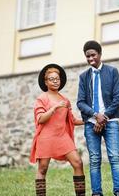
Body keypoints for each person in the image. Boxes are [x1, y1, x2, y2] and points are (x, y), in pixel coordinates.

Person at [77, 40, 119, 196]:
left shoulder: (112, 72)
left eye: (93, 55)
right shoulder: (83, 77)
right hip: (91, 123)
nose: (91, 59)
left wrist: (103, 117)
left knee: (115, 157)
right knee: (94, 160)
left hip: (110, 121)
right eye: (87, 56)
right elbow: (80, 101)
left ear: (100, 54)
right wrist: (95, 115)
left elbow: (117, 98)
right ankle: (96, 193)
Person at [30, 63, 85, 196]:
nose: (55, 81)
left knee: (78, 163)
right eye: (51, 79)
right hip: (46, 138)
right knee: (42, 169)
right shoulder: (42, 98)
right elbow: (40, 119)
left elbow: (72, 120)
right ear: (46, 82)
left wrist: (87, 121)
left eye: (57, 79)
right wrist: (54, 108)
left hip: (62, 137)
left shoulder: (65, 100)